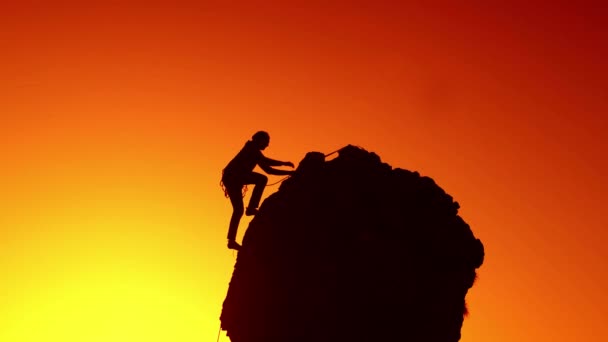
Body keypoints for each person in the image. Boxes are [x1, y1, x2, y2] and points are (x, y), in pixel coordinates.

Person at [221, 131, 295, 250]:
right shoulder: (252, 150)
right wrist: (288, 169)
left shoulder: (252, 150)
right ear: (259, 140)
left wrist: (284, 165)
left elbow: (266, 164)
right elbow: (268, 169)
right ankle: (251, 208)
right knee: (261, 180)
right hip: (234, 178)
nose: (267, 145)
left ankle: (231, 240)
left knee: (238, 210)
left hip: (233, 178)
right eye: (266, 142)